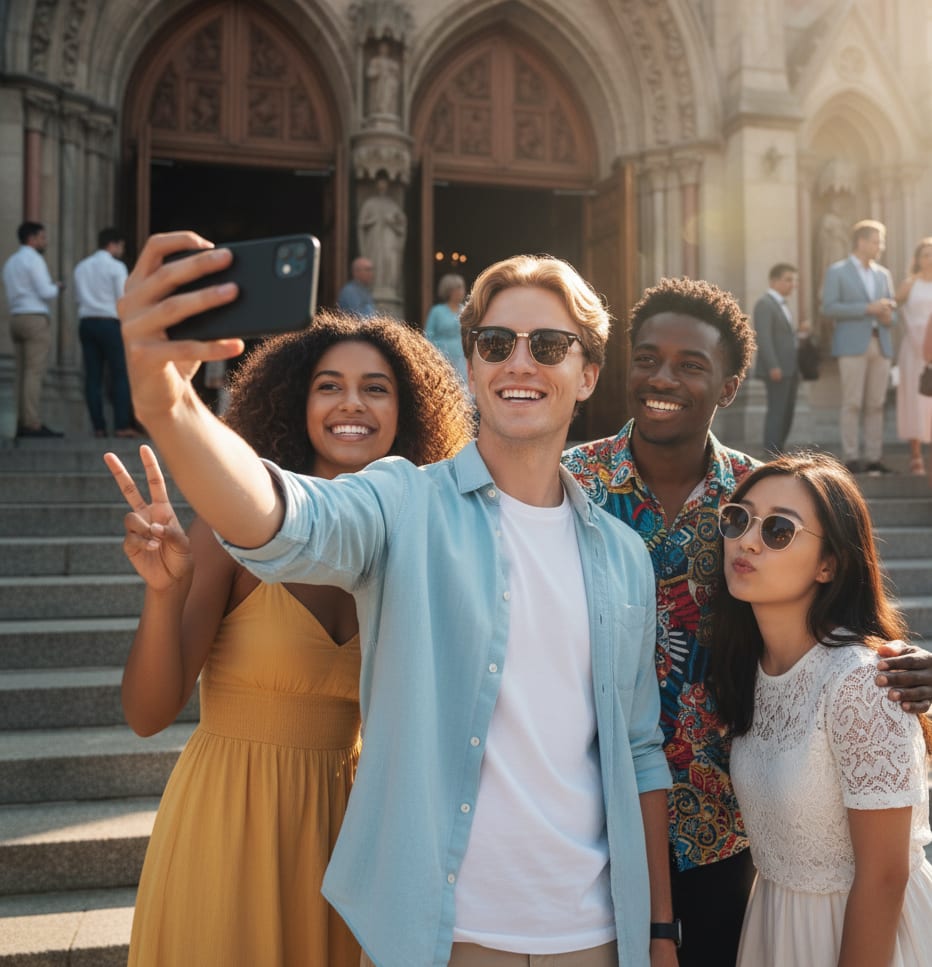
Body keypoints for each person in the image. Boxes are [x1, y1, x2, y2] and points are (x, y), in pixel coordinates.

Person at [119, 232, 677, 967]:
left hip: (597, 937)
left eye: (547, 344)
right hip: (444, 936)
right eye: (496, 341)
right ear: (470, 363)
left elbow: (638, 754)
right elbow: (281, 513)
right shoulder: (405, 502)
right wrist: (170, 404)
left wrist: (660, 932)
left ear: (587, 373)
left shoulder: (623, 556)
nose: (519, 361)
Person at [562, 275, 932, 966]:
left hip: (732, 838)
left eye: (690, 364)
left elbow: (836, 615)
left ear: (730, 387)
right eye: (646, 357)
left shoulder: (760, 502)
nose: (660, 377)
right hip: (589, 825)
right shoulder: (566, 487)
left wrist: (912, 666)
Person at [104, 310, 475, 967]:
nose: (351, 402)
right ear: (296, 403)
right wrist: (163, 593)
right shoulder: (234, 530)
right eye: (329, 385)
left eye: (377, 387)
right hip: (232, 825)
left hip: (357, 835)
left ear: (410, 410)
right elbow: (146, 712)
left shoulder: (415, 542)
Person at [710, 452, 932, 966]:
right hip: (774, 929)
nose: (747, 541)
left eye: (779, 531)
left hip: (862, 937)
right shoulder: (753, 670)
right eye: (738, 518)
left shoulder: (862, 681)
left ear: (829, 563)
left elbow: (885, 874)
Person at [821, 219, 897, 475]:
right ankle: (851, 457)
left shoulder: (883, 274)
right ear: (861, 242)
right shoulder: (837, 271)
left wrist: (888, 315)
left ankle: (874, 458)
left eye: (881, 241)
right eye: (877, 241)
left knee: (876, 403)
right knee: (852, 402)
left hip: (880, 343)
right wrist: (868, 308)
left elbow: (893, 312)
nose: (881, 247)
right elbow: (828, 308)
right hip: (852, 345)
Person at [73, 227, 139, 438]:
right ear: (113, 244)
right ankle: (121, 426)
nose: (121, 250)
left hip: (87, 323)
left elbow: (77, 297)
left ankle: (98, 427)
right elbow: (122, 298)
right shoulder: (116, 267)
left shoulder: (81, 267)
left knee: (93, 376)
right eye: (121, 246)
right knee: (119, 374)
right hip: (110, 323)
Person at [2, 221, 64, 437]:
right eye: (42, 237)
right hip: (34, 317)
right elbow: (45, 291)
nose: (44, 242)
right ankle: (31, 422)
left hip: (16, 317)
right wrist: (57, 287)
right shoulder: (34, 259)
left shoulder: (11, 262)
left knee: (21, 372)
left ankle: (20, 420)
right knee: (33, 372)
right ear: (32, 238)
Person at [753, 263, 806, 455]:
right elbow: (764, 337)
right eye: (788, 280)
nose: (793, 284)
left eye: (795, 280)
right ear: (774, 281)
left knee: (787, 413)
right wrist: (773, 366)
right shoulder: (765, 304)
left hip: (790, 369)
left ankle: (778, 450)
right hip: (777, 370)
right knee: (777, 412)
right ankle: (770, 454)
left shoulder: (783, 305)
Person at [894, 237, 932, 475]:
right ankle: (915, 455)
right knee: (913, 398)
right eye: (926, 254)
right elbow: (893, 310)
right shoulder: (909, 285)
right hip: (912, 349)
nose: (930, 258)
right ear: (918, 259)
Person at [357, 173, 406, 298]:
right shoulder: (370, 203)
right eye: (380, 183)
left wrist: (392, 223)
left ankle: (388, 287)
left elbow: (402, 224)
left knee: (389, 261)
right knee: (375, 261)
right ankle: (374, 286)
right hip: (374, 239)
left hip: (389, 239)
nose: (382, 186)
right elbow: (361, 223)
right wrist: (371, 221)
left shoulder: (392, 204)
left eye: (385, 184)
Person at [424, 272, 467, 382]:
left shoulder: (466, 311)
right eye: (459, 288)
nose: (462, 291)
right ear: (450, 290)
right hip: (441, 358)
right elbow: (428, 335)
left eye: (462, 288)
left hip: (462, 359)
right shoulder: (437, 311)